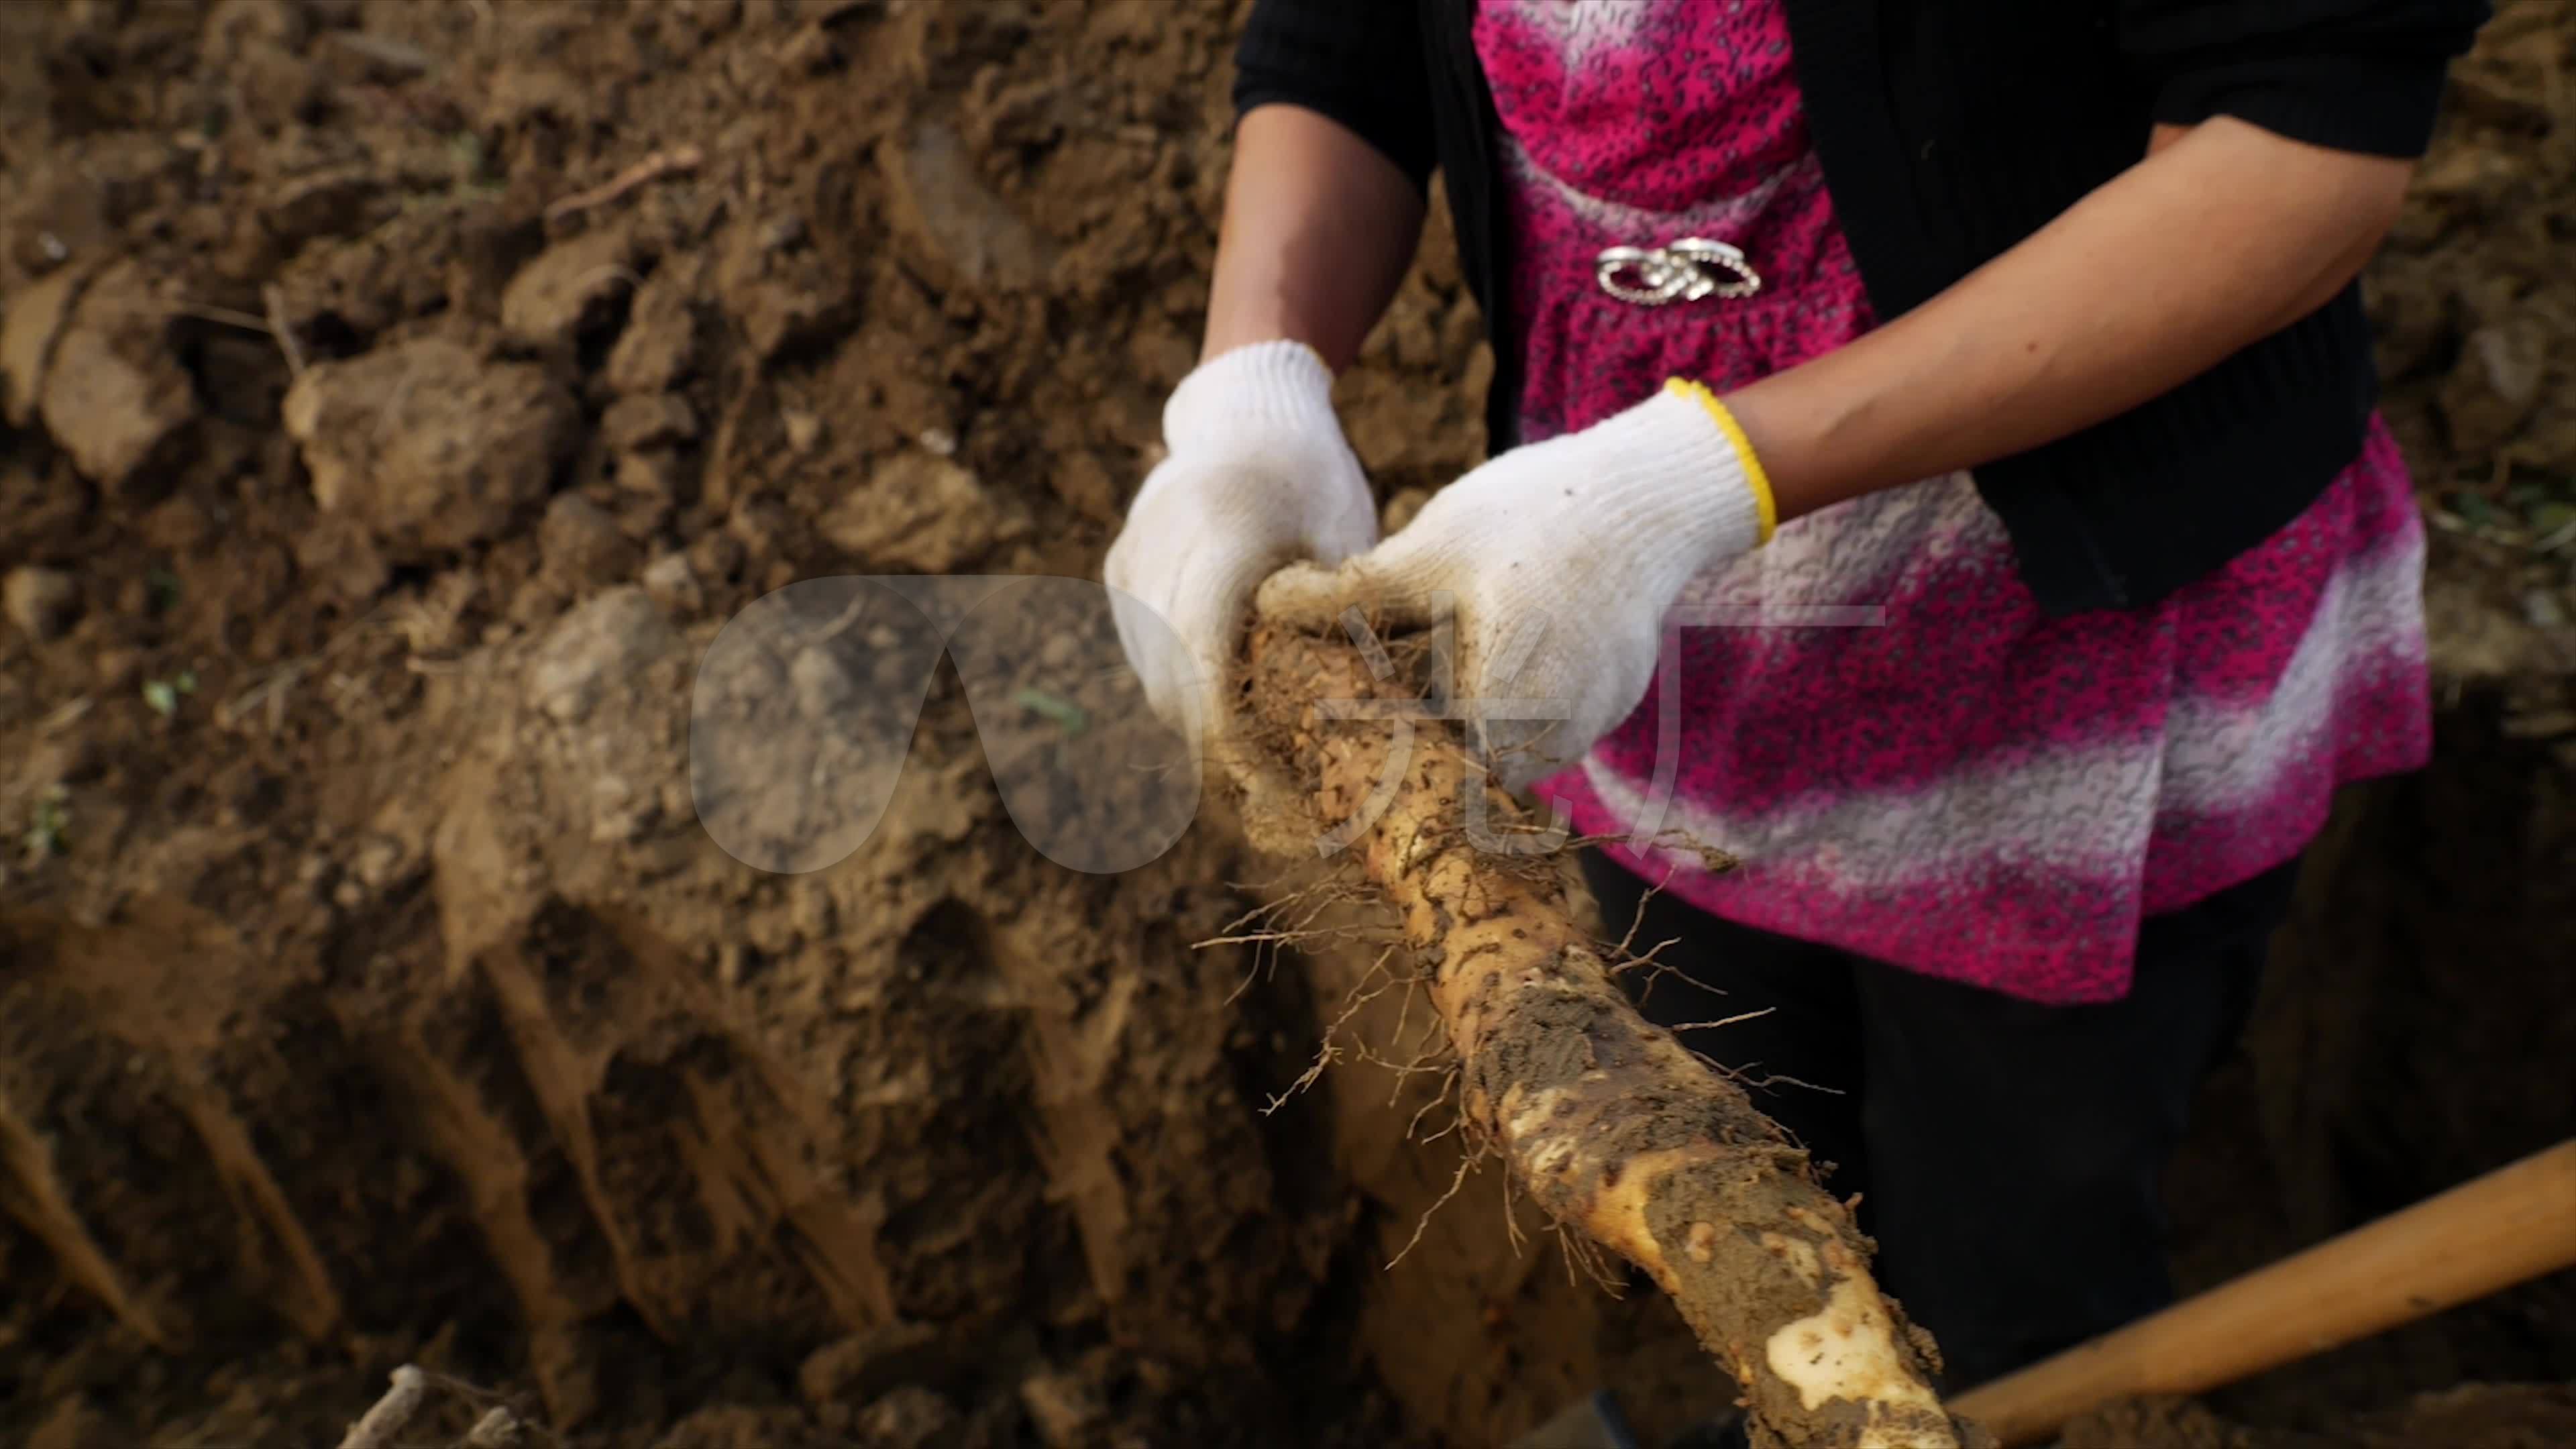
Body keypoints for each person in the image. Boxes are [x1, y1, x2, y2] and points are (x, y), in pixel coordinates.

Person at [1104, 0, 2489, 1436]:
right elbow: (1346, 47)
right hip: (1643, 626)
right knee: (1738, 1136)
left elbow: (2303, 131)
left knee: (2021, 1236)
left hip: (2068, 679)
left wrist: (1705, 479)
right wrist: (1254, 388)